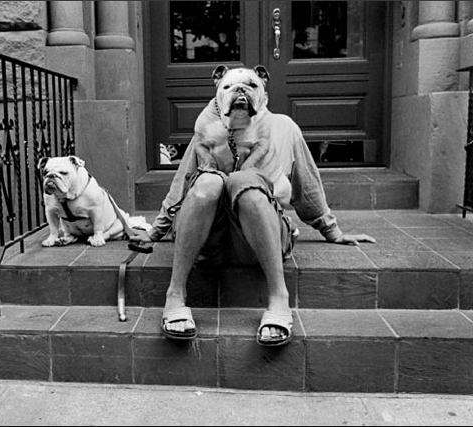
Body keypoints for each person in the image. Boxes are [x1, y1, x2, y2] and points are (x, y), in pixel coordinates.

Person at [130, 65, 375, 346]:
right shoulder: (209, 129)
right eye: (230, 87)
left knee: (247, 183)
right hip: (208, 242)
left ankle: (278, 297)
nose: (240, 92)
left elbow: (307, 185)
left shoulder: (283, 127)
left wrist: (331, 230)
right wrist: (154, 232)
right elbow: (182, 186)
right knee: (207, 183)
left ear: (264, 94)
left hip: (258, 240)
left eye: (250, 86)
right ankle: (175, 293)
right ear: (217, 96)